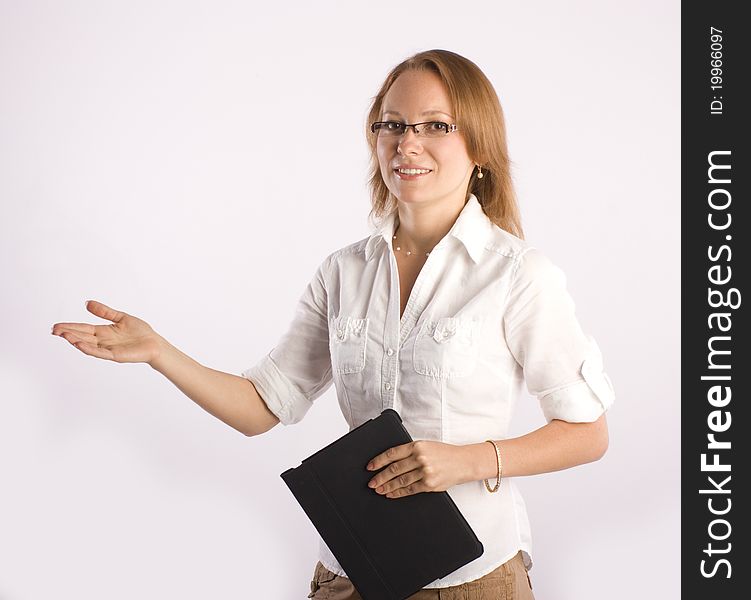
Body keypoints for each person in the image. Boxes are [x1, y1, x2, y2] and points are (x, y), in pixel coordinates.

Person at [51, 49, 614, 599]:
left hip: (467, 581)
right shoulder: (344, 271)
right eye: (391, 124)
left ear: (480, 148)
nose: (407, 142)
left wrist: (467, 460)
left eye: (435, 125)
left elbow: (588, 433)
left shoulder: (518, 275)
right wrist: (158, 351)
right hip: (350, 573)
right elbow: (262, 407)